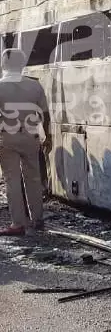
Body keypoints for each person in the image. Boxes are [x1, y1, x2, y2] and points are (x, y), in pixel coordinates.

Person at [0, 48, 50, 235]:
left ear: (4, 64)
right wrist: (49, 135)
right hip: (31, 136)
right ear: (22, 65)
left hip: (7, 136)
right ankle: (38, 220)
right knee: (34, 178)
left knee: (12, 180)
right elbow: (45, 113)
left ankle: (18, 224)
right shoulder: (35, 86)